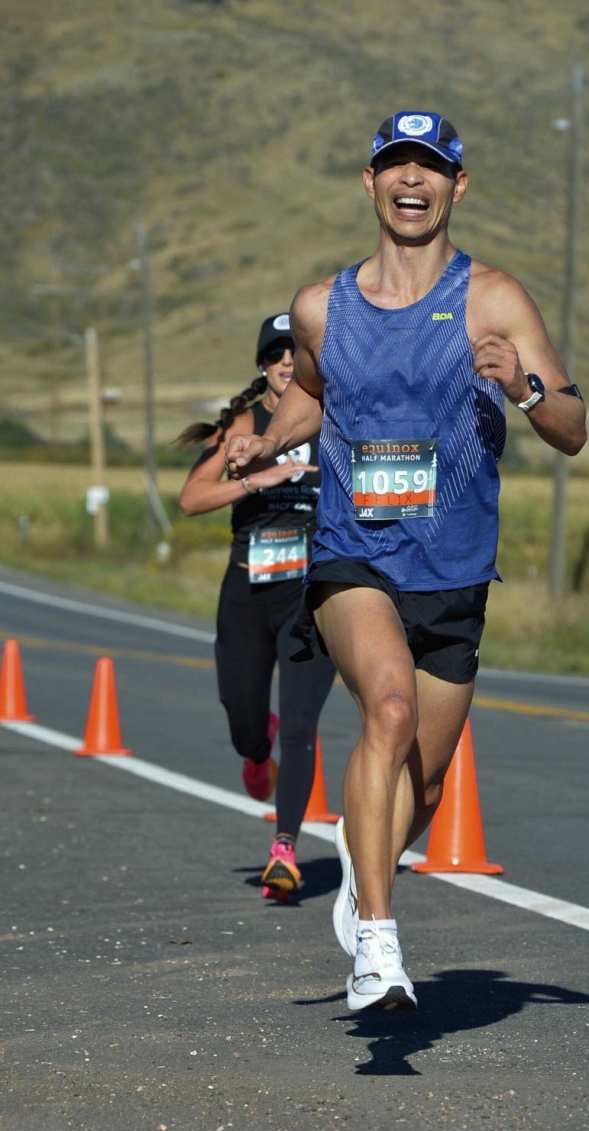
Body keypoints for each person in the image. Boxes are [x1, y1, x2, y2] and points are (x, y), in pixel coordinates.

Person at [226, 112, 587, 1009]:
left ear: (458, 186)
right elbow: (313, 396)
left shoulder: (493, 299)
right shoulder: (322, 307)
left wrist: (523, 385)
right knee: (383, 703)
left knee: (419, 784)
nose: (412, 181)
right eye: (397, 166)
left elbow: (572, 426)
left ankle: (364, 868)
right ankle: (379, 946)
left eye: (432, 167)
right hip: (355, 557)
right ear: (371, 181)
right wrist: (262, 446)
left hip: (456, 569)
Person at [178, 313, 336, 901]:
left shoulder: (331, 416)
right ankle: (254, 746)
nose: (288, 364)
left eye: (296, 352)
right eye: (276, 355)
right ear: (263, 365)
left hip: (311, 594)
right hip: (246, 591)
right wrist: (256, 482)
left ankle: (285, 848)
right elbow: (192, 498)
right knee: (247, 722)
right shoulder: (245, 423)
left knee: (301, 725)